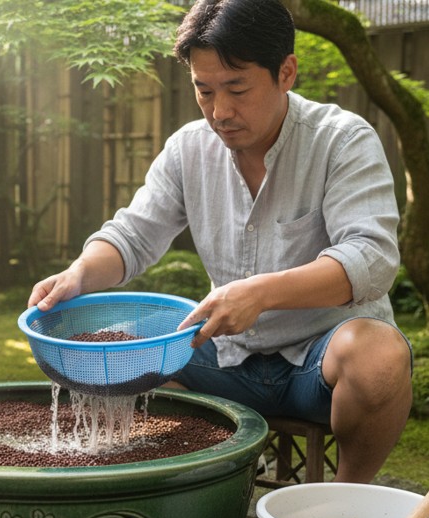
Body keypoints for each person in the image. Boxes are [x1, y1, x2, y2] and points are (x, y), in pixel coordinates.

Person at [27, 0, 413, 484]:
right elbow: (132, 234)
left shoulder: (342, 141)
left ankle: (344, 500)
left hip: (318, 360)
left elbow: (372, 259)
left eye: (237, 88)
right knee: (118, 352)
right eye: (204, 91)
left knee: (379, 356)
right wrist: (78, 274)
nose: (220, 111)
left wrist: (261, 293)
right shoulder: (190, 149)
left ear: (286, 72)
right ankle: (194, 491)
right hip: (222, 356)